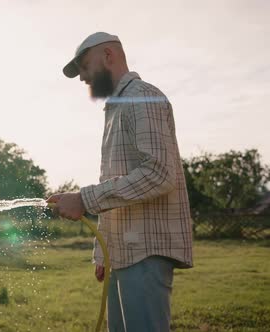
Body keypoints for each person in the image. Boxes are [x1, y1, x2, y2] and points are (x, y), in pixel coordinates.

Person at [47, 32, 193, 332]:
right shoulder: (118, 107)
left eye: (85, 67)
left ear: (109, 56)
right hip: (124, 253)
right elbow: (119, 182)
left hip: (146, 252)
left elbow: (158, 174)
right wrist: (105, 252)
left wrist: (84, 200)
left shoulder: (140, 97)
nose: (83, 78)